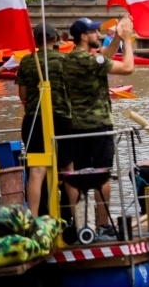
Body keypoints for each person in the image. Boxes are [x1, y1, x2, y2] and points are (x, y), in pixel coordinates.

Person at [62, 16, 135, 241]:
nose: (98, 35)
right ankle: (103, 224)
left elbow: (104, 58)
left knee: (82, 176)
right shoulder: (89, 61)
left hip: (78, 128)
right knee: (102, 177)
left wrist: (116, 39)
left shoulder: (73, 59)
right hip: (99, 126)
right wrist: (127, 40)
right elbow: (128, 67)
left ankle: (85, 224)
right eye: (94, 32)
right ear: (84, 37)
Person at [15, 24, 73, 217]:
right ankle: (77, 218)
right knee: (68, 168)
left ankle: (34, 218)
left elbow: (22, 94)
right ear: (55, 39)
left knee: (37, 170)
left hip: (33, 119)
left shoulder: (27, 62)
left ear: (35, 40)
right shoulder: (63, 60)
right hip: (62, 119)